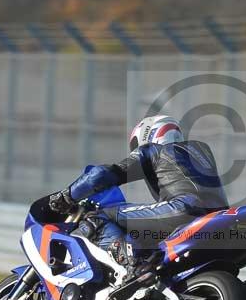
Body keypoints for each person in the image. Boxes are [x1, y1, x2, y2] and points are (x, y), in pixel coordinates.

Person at [48, 115, 229, 280]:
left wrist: (67, 195)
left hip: (183, 210)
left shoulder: (154, 151)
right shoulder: (201, 151)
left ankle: (133, 266)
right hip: (218, 215)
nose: (136, 148)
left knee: (96, 218)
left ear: (149, 134)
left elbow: (100, 175)